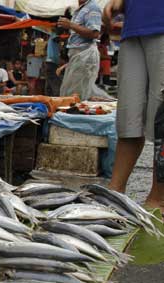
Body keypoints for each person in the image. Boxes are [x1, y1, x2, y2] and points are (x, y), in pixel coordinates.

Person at [104, 0, 164, 212]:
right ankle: (115, 189)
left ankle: (158, 197)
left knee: (162, 119)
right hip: (132, 30)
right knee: (129, 117)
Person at [57, 0, 103, 100]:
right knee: (72, 93)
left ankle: (76, 114)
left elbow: (94, 33)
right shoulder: (80, 9)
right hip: (78, 54)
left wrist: (71, 25)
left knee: (75, 95)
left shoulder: (92, 7)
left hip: (85, 54)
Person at [45, 31, 62, 96]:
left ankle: (49, 98)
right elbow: (57, 38)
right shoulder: (54, 34)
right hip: (52, 63)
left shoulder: (51, 37)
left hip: (50, 63)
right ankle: (56, 98)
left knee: (49, 84)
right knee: (55, 83)